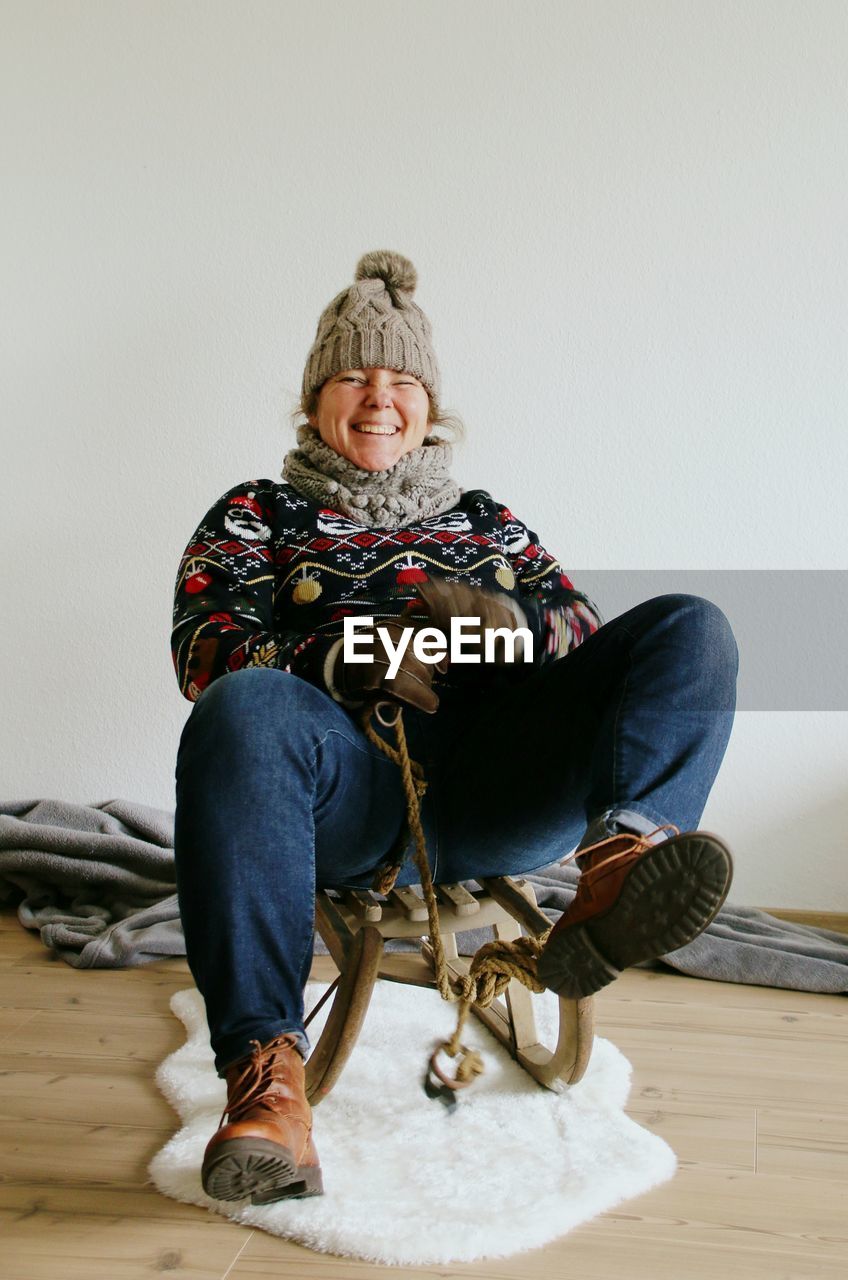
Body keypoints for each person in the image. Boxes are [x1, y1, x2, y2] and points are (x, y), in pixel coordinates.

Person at [171, 250, 737, 1206]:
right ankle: (268, 1085)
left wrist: (516, 628)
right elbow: (205, 650)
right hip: (346, 801)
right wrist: (340, 653)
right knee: (245, 706)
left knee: (693, 627)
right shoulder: (255, 515)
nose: (378, 397)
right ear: (315, 400)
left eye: (402, 380)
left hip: (497, 789)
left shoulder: (487, 522)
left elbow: (587, 634)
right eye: (353, 375)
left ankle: (624, 865)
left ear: (432, 405)